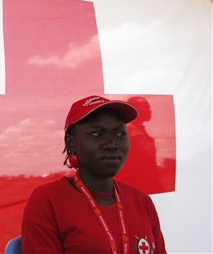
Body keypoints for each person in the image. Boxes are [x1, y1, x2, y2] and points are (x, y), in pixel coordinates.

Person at [21, 95, 167, 254]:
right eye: (97, 134)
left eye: (119, 134)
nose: (111, 144)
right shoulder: (47, 200)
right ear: (72, 143)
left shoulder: (142, 202)